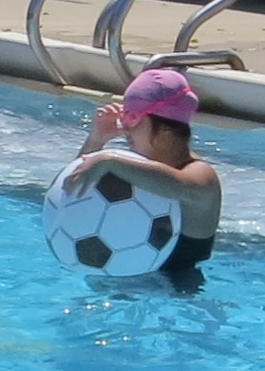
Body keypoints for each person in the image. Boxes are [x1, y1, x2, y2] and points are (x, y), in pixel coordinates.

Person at [63, 64, 224, 284]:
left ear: (166, 127)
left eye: (133, 118)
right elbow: (71, 194)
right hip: (124, 283)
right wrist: (96, 141)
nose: (126, 128)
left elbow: (179, 185)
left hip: (177, 292)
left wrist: (108, 160)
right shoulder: (131, 166)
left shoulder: (201, 176)